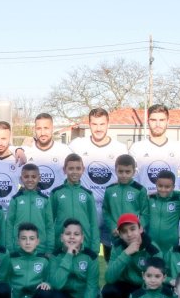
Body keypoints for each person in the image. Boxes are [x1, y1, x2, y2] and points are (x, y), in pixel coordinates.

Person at [69, 108, 128, 258]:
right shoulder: (77, 146)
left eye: (102, 124)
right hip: (87, 208)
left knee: (113, 255)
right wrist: (22, 147)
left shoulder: (120, 148)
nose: (98, 128)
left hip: (111, 209)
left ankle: (111, 281)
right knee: (86, 253)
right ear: (89, 125)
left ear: (108, 124)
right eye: (94, 124)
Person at [46, 219, 104, 298]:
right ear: (62, 237)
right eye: (68, 234)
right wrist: (68, 255)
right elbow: (56, 284)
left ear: (82, 238)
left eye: (76, 234)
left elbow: (91, 290)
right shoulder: (55, 256)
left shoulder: (91, 257)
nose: (72, 237)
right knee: (55, 296)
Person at [2, 223, 56, 298]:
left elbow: (51, 280)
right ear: (18, 241)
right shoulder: (11, 259)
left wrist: (47, 284)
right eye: (23, 238)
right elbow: (7, 285)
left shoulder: (44, 260)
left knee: (45, 292)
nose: (27, 242)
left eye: (31, 239)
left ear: (37, 241)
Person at [102, 214, 161, 298]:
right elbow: (109, 277)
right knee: (108, 290)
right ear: (119, 234)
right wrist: (126, 253)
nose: (129, 234)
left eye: (133, 229)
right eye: (124, 231)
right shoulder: (118, 247)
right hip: (125, 286)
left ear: (141, 229)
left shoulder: (152, 249)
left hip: (145, 287)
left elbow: (159, 279)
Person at [129, 104, 180, 193]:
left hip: (171, 204)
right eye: (153, 120)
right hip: (146, 204)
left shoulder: (178, 147)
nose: (158, 124)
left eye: (162, 120)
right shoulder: (137, 148)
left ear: (168, 121)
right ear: (148, 121)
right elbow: (130, 178)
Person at [49, 153, 100, 254]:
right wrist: (51, 245)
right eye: (71, 168)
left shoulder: (87, 194)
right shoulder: (56, 193)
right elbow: (49, 222)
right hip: (61, 244)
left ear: (83, 169)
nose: (75, 172)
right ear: (64, 170)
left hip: (84, 244)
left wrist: (95, 247)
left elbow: (93, 223)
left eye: (78, 168)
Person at [5, 163, 55, 255]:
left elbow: (49, 226)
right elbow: (9, 225)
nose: (30, 180)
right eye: (26, 177)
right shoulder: (16, 199)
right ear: (21, 179)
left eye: (33, 177)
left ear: (39, 178)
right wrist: (10, 248)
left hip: (40, 249)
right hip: (19, 248)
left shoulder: (45, 200)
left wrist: (49, 249)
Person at [19, 113, 73, 193]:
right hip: (33, 203)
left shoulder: (64, 151)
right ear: (34, 130)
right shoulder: (25, 151)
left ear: (52, 129)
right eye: (39, 128)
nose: (43, 133)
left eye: (46, 128)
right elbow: (19, 180)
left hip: (56, 204)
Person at [102, 154, 150, 242]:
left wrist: (137, 228)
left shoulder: (140, 190)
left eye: (128, 172)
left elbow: (145, 213)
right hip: (116, 234)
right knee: (115, 255)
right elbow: (106, 212)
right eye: (120, 171)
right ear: (115, 170)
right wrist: (113, 227)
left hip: (133, 235)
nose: (124, 175)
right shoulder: (110, 190)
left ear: (134, 172)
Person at [146, 170, 180, 254]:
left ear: (173, 187)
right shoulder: (150, 199)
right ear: (156, 185)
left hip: (171, 246)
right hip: (151, 244)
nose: (163, 189)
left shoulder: (179, 199)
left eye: (167, 187)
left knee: (170, 266)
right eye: (160, 186)